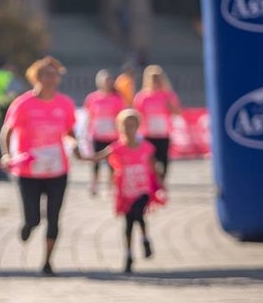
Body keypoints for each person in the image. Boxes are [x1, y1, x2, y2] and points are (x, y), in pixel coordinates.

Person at [0, 56, 76, 277]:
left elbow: (69, 133)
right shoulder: (23, 103)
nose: (51, 79)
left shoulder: (65, 104)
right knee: (33, 217)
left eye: (55, 75)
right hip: (29, 171)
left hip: (57, 169)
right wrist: (6, 154)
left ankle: (47, 261)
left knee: (54, 216)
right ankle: (28, 226)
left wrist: (75, 144)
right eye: (46, 75)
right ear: (36, 78)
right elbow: (7, 131)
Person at [76, 109, 164, 274]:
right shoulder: (117, 147)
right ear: (119, 127)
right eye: (125, 125)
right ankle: (129, 255)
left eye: (132, 125)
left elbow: (154, 167)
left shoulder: (146, 147)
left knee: (138, 213)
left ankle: (145, 239)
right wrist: (81, 156)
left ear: (138, 126)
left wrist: (160, 185)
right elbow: (98, 157)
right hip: (125, 192)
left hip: (142, 189)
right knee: (129, 223)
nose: (129, 128)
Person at [133, 65, 183, 182]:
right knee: (149, 159)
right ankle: (151, 181)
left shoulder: (168, 95)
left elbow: (178, 112)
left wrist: (170, 106)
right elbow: (137, 115)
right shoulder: (142, 97)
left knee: (163, 159)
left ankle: (162, 180)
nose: (155, 81)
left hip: (163, 133)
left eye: (157, 78)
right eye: (152, 78)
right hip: (148, 134)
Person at [82, 69, 124, 196]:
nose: (107, 83)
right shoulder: (92, 98)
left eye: (108, 80)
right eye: (104, 81)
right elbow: (89, 116)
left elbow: (121, 117)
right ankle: (94, 184)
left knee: (112, 162)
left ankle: (110, 185)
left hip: (112, 135)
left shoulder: (117, 99)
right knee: (96, 161)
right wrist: (86, 131)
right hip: (97, 134)